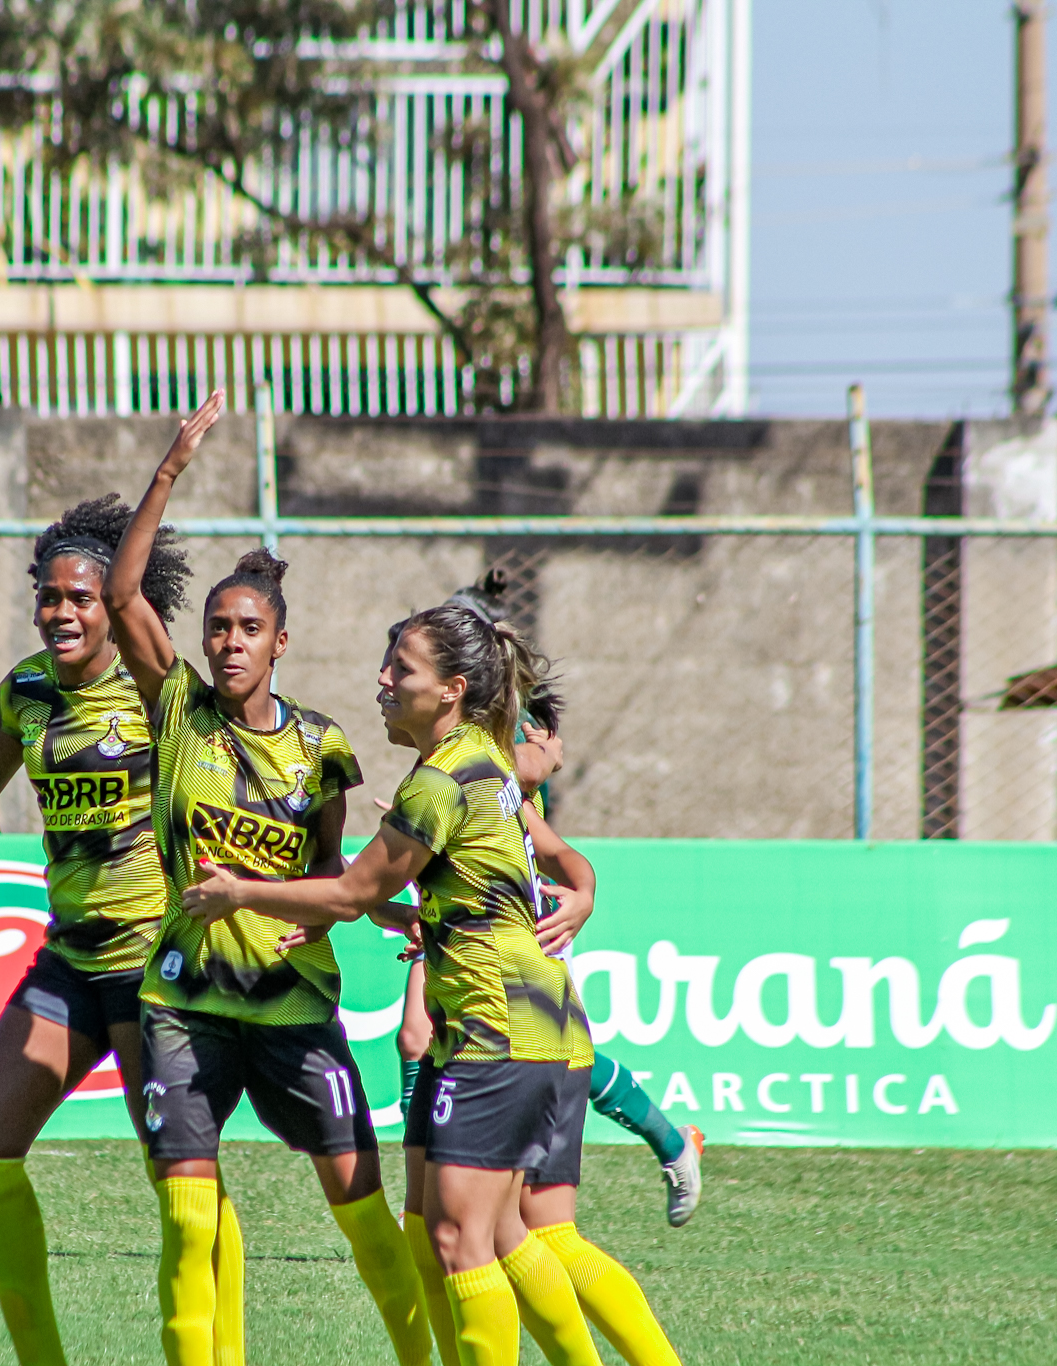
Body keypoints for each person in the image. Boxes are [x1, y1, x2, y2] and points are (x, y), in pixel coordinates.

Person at [185, 603, 676, 1366]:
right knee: (472, 1228)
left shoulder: (444, 780)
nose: (382, 681)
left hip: (499, 1031)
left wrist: (243, 893)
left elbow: (347, 892)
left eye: (401, 670)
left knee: (462, 1235)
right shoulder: (476, 754)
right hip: (494, 1029)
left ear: (450, 689)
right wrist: (581, 889)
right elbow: (523, 858)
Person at [102, 390, 431, 1366]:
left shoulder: (324, 746)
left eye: (248, 627)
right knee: (187, 1224)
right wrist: (170, 465)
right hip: (184, 1004)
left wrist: (356, 916)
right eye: (217, 627)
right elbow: (125, 599)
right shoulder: (177, 714)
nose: (229, 640)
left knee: (364, 1213)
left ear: (277, 642)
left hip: (291, 1008)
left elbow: (335, 869)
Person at [0, 492, 247, 1366]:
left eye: (80, 598)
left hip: (153, 963)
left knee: (181, 1182)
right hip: (70, 957)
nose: (60, 613)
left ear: (112, 606)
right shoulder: (28, 690)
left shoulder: (156, 689)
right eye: (48, 597)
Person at [393, 577, 703, 1231]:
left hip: (513, 920)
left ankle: (673, 1143)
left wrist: (583, 893)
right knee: (416, 1036)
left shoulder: (493, 745)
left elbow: (540, 773)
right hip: (456, 920)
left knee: (568, 1058)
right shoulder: (447, 753)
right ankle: (425, 1201)